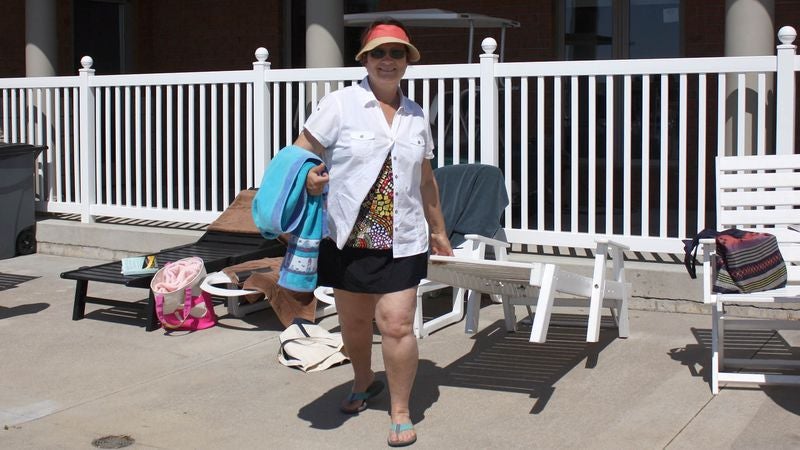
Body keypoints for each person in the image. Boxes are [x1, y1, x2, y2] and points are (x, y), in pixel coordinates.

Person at [293, 18, 453, 447]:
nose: (387, 60)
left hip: (402, 239)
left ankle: (400, 410)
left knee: (397, 324)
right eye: (378, 53)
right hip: (347, 235)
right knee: (355, 323)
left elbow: (425, 179)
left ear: (407, 61)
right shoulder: (339, 105)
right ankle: (364, 381)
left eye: (396, 53)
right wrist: (308, 181)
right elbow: (301, 154)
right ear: (364, 59)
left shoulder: (417, 115)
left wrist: (438, 231)